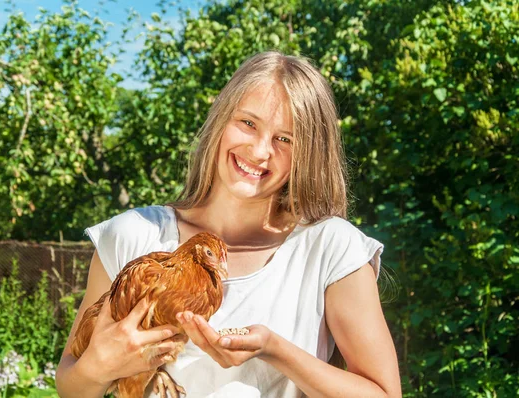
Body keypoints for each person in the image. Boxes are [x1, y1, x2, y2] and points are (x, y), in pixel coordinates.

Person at [55, 51, 401, 397]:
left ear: (308, 153)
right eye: (248, 123)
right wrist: (100, 365)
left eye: (285, 139)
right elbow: (72, 387)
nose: (260, 150)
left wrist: (274, 350)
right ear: (222, 121)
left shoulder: (330, 248)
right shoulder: (133, 234)